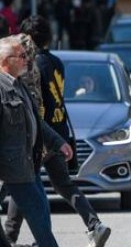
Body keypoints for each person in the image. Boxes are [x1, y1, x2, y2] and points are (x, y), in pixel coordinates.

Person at [5, 16, 111, 247]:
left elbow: (34, 104)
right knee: (62, 185)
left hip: (40, 135)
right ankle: (94, 224)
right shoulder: (56, 62)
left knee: (25, 184)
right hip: (58, 129)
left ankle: (11, 236)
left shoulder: (33, 66)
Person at [0, 35, 73, 247]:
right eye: (21, 56)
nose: (26, 60)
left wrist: (59, 142)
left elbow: (37, 123)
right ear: (5, 60)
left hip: (27, 165)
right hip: (12, 168)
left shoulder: (19, 85)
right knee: (38, 214)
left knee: (40, 208)